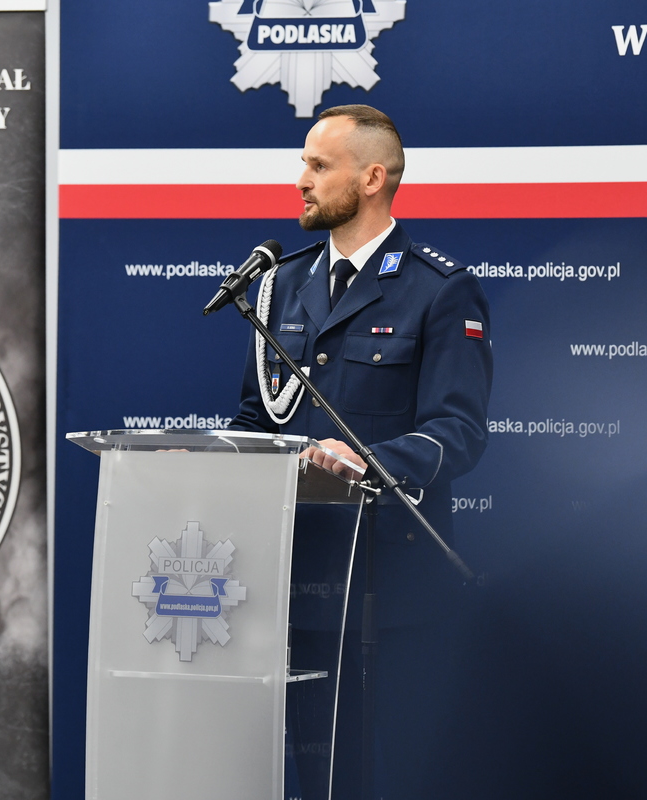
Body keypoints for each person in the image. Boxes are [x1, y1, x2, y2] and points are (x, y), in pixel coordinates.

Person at [229, 104, 492, 799]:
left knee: (397, 775)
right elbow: (257, 416)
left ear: (372, 178)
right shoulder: (280, 284)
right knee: (318, 777)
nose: (301, 181)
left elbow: (458, 431)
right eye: (303, 164)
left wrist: (368, 463)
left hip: (391, 588)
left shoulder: (439, 289)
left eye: (319, 166)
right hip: (296, 582)